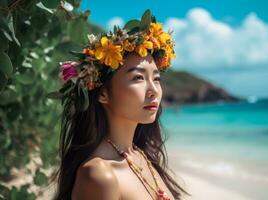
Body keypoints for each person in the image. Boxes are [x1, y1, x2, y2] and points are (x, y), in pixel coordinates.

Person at [50, 9, 189, 200]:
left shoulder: (142, 157)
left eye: (156, 79)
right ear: (103, 94)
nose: (154, 90)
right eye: (138, 78)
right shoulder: (99, 175)